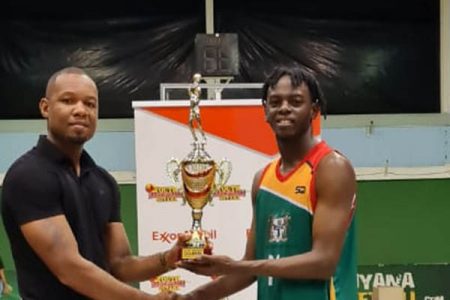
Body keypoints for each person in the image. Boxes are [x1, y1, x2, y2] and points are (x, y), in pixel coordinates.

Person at [0, 67, 188, 300]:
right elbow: (70, 269)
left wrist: (168, 259)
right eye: (68, 101)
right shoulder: (28, 176)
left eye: (90, 104)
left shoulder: (103, 181)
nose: (80, 110)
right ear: (45, 108)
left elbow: (119, 264)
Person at [176, 65, 358, 300]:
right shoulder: (263, 179)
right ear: (265, 111)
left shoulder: (331, 168)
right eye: (275, 102)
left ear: (314, 110)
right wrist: (190, 298)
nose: (284, 108)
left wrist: (236, 267)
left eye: (295, 101)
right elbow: (249, 268)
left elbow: (323, 262)